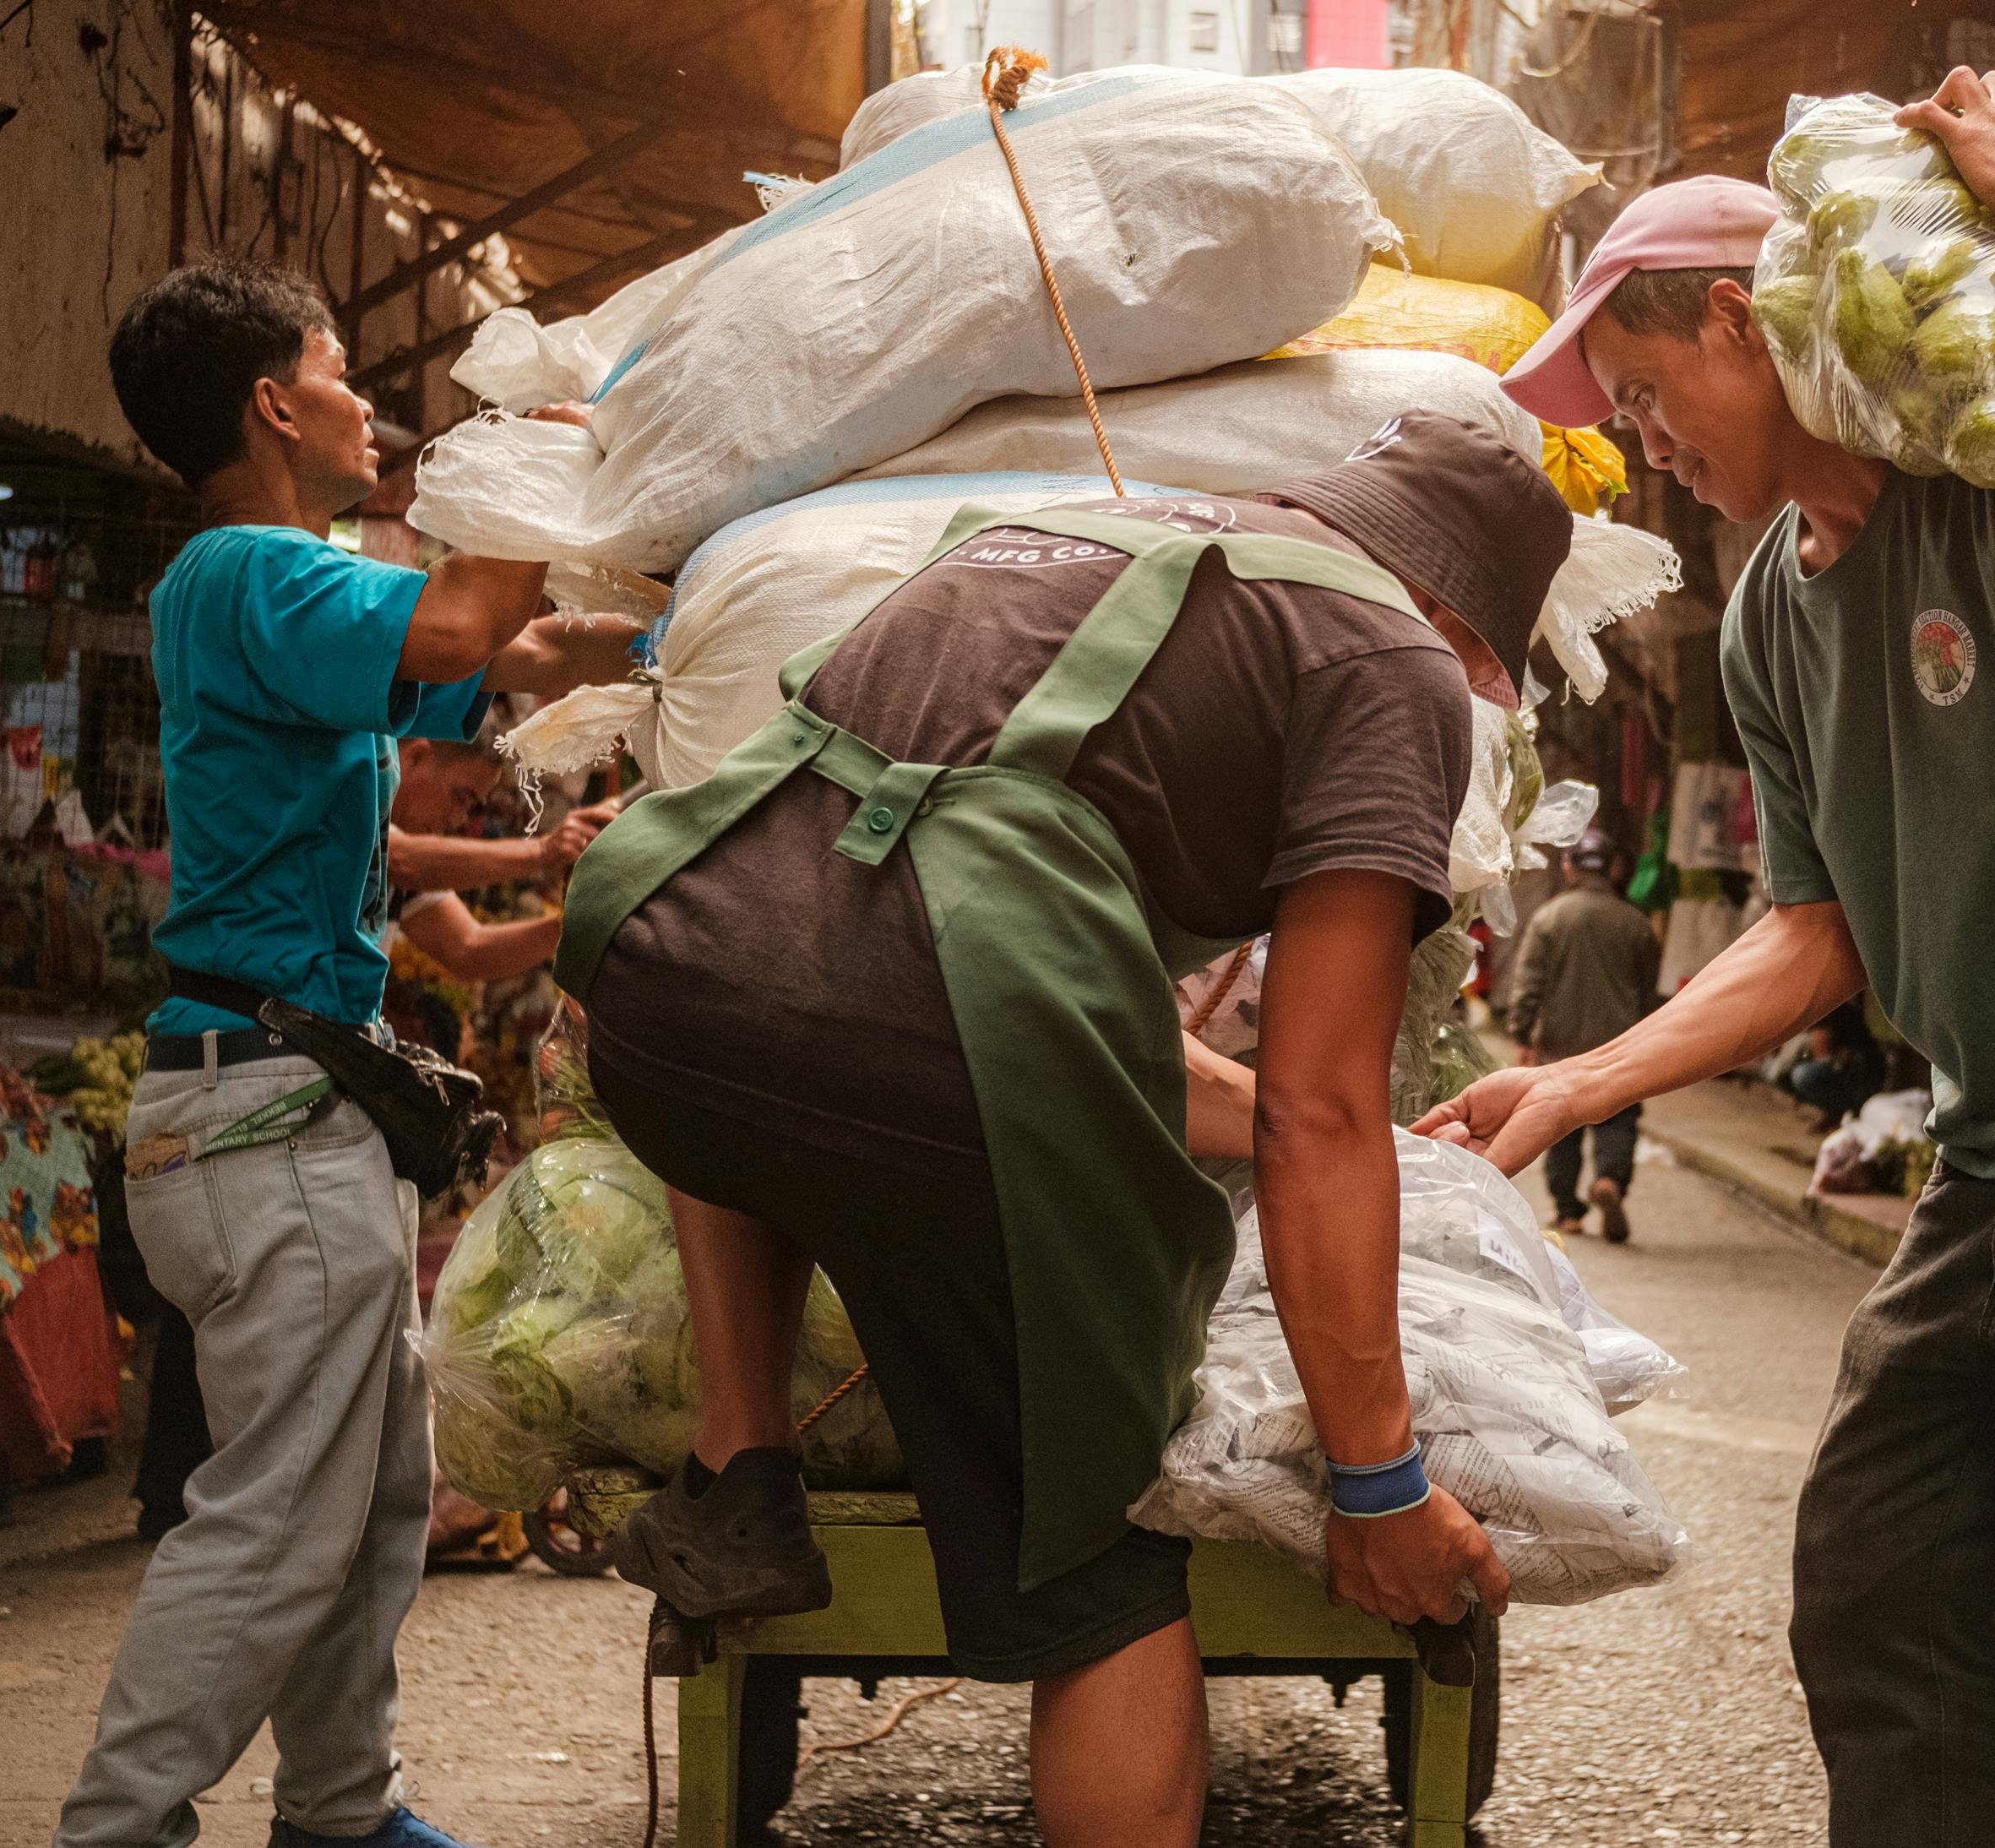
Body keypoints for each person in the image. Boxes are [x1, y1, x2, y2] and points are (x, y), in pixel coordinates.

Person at [1422, 71, 1995, 1848]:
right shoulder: (1776, 606)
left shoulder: (1991, 469)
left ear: (1741, 320)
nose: (1648, 442)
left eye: (1648, 393)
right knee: (1877, 1577)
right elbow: (1816, 929)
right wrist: (1572, 1079)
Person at [562, 412, 1560, 1848]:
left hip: (664, 988)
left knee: (780, 1023)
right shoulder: (1387, 661)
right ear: (1464, 624)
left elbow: (947, 910)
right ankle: (1051, 1567)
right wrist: (1375, 1480)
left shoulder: (1072, 533)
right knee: (1093, 1564)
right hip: (919, 1044)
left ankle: (743, 1468)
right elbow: (1316, 1104)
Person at [63, 259, 642, 1848]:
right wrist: (540, 436)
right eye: (336, 369)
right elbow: (465, 607)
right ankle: (116, 1826)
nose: (368, 406)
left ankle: (340, 1811)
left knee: (372, 1497)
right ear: (271, 402)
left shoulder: (291, 588)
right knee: (272, 1521)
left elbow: (505, 655)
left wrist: (673, 605)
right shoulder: (251, 570)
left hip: (296, 1112)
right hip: (263, 1122)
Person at [1508, 828, 1660, 1242]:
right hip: (1621, 1046)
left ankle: (1568, 1211)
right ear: (1615, 869)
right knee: (1618, 1118)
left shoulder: (1549, 918)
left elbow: (1529, 984)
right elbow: (1648, 992)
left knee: (1561, 1126)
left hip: (1560, 1046)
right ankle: (1610, 1181)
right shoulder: (1637, 924)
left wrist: (1522, 1034)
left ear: (1569, 868)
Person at [388, 730, 610, 986]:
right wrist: (543, 850)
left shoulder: (401, 858)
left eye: (470, 808)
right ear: (416, 757)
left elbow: (467, 948)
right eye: (460, 797)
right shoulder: (353, 798)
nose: (457, 820)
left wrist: (581, 924)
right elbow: (400, 860)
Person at [1786, 1005, 1884, 1128]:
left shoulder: (1826, 1009)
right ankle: (1835, 1114)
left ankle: (1842, 1113)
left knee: (1802, 1075)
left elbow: (1823, 1057)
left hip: (1863, 1074)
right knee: (1784, 1069)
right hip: (1852, 1070)